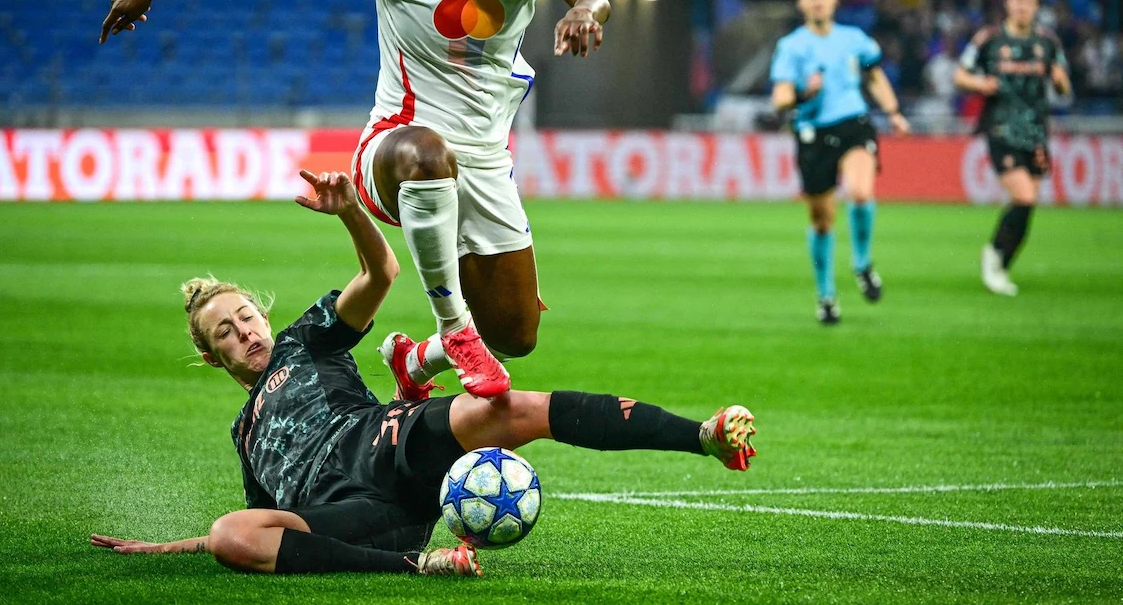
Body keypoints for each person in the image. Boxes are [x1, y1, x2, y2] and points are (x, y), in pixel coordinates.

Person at [99, 0, 619, 402]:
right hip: (396, 149)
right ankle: (453, 329)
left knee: (515, 336)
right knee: (427, 153)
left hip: (485, 161)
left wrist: (583, 11)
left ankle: (415, 359)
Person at [89, 170, 757, 577]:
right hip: (346, 514)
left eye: (245, 317)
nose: (245, 332)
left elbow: (381, 272)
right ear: (214, 358)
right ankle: (421, 563)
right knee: (231, 532)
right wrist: (174, 547)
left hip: (385, 441)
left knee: (504, 410)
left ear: (262, 316)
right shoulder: (244, 434)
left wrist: (350, 212)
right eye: (226, 334)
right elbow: (264, 528)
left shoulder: (303, 341)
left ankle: (701, 435)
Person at [770, 0, 910, 326]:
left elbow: (874, 76)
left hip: (853, 124)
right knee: (822, 221)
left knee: (860, 192)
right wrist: (804, 93)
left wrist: (893, 112)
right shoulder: (791, 46)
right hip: (813, 133)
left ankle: (862, 263)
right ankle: (827, 295)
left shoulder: (853, 39)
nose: (817, 0)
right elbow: (780, 98)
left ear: (834, 0)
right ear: (801, 4)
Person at [954, 0, 1071, 296]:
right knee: (1024, 196)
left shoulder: (1047, 42)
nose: (1022, 5)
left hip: (1035, 131)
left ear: (1036, 6)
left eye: (1029, 0)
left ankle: (1002, 263)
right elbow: (960, 75)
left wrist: (1060, 81)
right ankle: (994, 255)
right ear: (1007, 2)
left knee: (1028, 203)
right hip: (1001, 127)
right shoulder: (989, 39)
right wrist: (980, 84)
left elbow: (1064, 88)